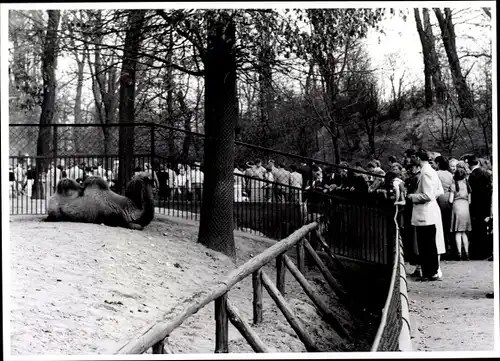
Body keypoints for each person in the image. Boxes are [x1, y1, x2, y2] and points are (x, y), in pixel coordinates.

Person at [407, 149, 444, 281]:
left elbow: (428, 195)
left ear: (418, 158)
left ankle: (430, 272)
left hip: (425, 212)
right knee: (428, 244)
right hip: (429, 212)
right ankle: (430, 272)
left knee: (426, 244)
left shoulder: (426, 173)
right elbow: (439, 190)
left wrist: (412, 197)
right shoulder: (431, 171)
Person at [467, 155, 493, 260]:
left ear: (469, 164)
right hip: (485, 205)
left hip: (475, 205)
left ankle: (477, 253)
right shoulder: (486, 174)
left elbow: (471, 193)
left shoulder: (471, 176)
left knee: (477, 229)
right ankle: (486, 251)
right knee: (484, 229)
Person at [449, 167, 472, 261]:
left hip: (457, 207)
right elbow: (470, 201)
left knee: (457, 232)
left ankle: (459, 253)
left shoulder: (453, 186)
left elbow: (450, 200)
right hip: (465, 208)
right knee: (464, 232)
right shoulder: (468, 186)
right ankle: (466, 253)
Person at [435, 155, 454, 258]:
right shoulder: (450, 174)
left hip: (439, 199)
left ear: (438, 163)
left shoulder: (436, 174)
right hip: (448, 199)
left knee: (440, 225)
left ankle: (442, 249)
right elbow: (452, 188)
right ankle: (450, 249)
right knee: (447, 225)